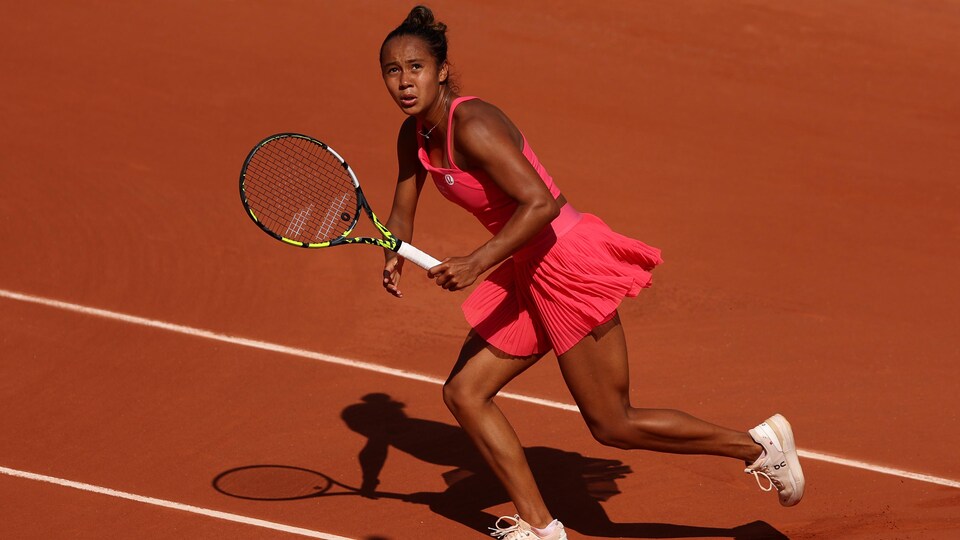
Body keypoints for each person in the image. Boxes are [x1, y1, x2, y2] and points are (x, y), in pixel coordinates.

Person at [377, 6, 805, 539]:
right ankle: (540, 528)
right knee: (465, 392)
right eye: (392, 71)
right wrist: (393, 246)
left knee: (612, 423)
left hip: (563, 261)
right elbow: (401, 208)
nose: (403, 81)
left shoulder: (475, 124)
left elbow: (541, 204)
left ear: (441, 70)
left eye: (414, 67)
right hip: (524, 268)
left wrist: (477, 261)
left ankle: (758, 446)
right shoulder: (413, 137)